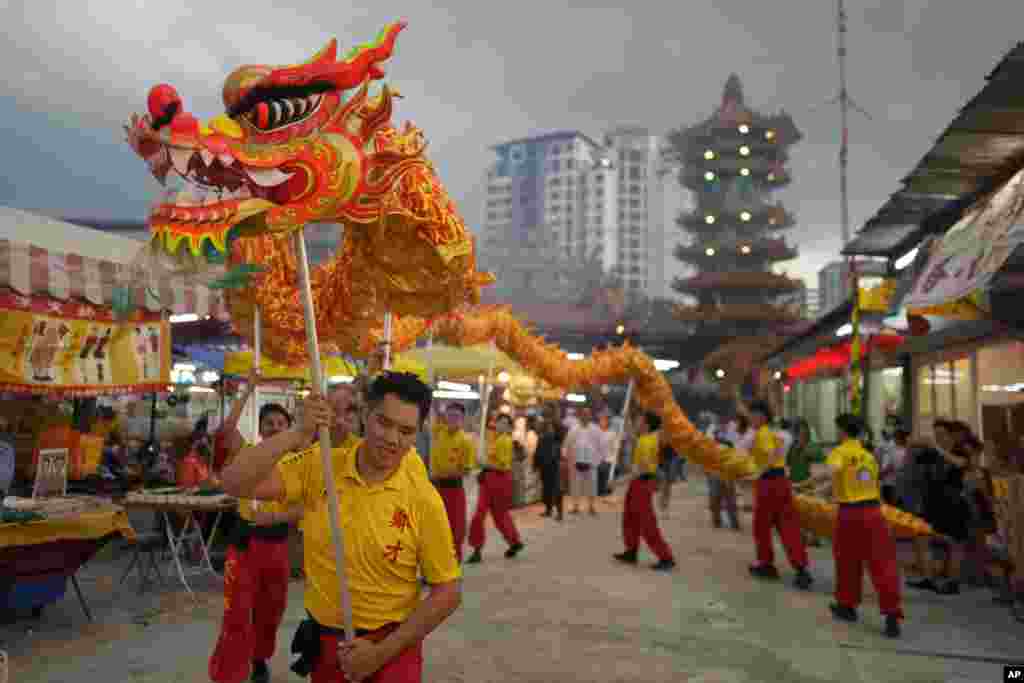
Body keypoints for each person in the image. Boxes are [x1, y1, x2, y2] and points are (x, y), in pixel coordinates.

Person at [220, 371, 462, 683]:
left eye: (405, 431)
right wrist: (296, 433)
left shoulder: (422, 498)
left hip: (393, 648)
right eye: (383, 423)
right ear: (365, 415)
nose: (392, 439)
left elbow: (448, 591)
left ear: (417, 433)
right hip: (328, 645)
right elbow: (233, 482)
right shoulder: (320, 466)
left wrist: (379, 653)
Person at [209, 401, 304, 683]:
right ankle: (228, 675)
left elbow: (306, 508)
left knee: (271, 611)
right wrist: (248, 388)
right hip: (243, 545)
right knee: (236, 613)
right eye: (269, 423)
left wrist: (274, 520)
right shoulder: (248, 454)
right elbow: (226, 431)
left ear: (289, 429)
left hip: (277, 548)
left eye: (280, 423)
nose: (275, 427)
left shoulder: (299, 463)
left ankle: (259, 659)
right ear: (260, 429)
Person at [797, 414, 903, 638]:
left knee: (847, 561)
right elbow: (857, 484)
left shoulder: (840, 452)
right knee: (882, 564)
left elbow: (829, 474)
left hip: (850, 515)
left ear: (843, 431)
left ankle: (847, 606)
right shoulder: (868, 456)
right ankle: (892, 613)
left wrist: (803, 486)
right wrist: (816, 492)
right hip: (874, 513)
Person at [742, 400, 813, 590]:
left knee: (761, 527)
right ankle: (801, 569)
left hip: (766, 483)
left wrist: (758, 471)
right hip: (782, 483)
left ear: (761, 416)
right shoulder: (782, 434)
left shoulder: (758, 435)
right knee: (789, 526)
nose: (749, 419)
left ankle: (766, 565)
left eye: (751, 415)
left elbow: (764, 454)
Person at [907, 419, 975, 595]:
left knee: (955, 543)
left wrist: (937, 448)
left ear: (951, 435)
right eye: (935, 435)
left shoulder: (961, 450)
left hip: (954, 502)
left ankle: (952, 582)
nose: (938, 438)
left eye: (942, 434)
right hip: (932, 502)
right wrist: (914, 443)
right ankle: (928, 578)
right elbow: (911, 457)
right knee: (921, 537)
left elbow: (960, 464)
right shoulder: (931, 452)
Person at [613, 412, 676, 571]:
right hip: (638, 483)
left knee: (646, 523)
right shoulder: (645, 438)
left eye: (639, 420)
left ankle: (666, 557)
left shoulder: (650, 441)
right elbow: (636, 437)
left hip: (643, 483)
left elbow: (643, 469)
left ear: (647, 424)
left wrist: (619, 481)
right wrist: (627, 420)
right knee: (630, 517)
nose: (637, 422)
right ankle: (631, 551)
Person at [467, 414, 524, 563]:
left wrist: (484, 465)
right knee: (499, 515)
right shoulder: (496, 439)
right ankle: (514, 541)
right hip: (494, 479)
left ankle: (477, 548)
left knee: (482, 514)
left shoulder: (504, 441)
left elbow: (503, 465)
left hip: (497, 479)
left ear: (509, 427)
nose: (501, 426)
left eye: (505, 424)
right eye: (499, 422)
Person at [429, 403, 476, 562]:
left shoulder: (465, 442)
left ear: (463, 419)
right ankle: (433, 568)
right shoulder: (438, 432)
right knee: (434, 529)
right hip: (435, 489)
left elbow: (467, 470)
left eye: (456, 417)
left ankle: (452, 566)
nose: (452, 419)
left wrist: (443, 475)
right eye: (449, 416)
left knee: (455, 530)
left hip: (454, 491)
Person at [563, 406, 603, 516]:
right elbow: (566, 445)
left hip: (591, 463)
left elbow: (601, 446)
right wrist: (567, 459)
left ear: (590, 416)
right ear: (580, 415)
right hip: (575, 462)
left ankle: (591, 506)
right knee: (575, 485)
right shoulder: (573, 429)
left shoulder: (596, 429)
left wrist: (596, 462)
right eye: (583, 414)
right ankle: (575, 506)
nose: (585, 416)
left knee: (592, 485)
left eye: (587, 414)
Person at [534, 403, 566, 520]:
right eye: (544, 409)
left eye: (547, 409)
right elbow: (539, 439)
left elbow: (561, 438)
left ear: (552, 410)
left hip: (553, 459)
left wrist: (551, 430)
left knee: (556, 486)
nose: (544, 410)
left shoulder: (558, 423)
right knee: (546, 486)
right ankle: (548, 509)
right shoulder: (543, 423)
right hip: (544, 458)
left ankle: (559, 512)